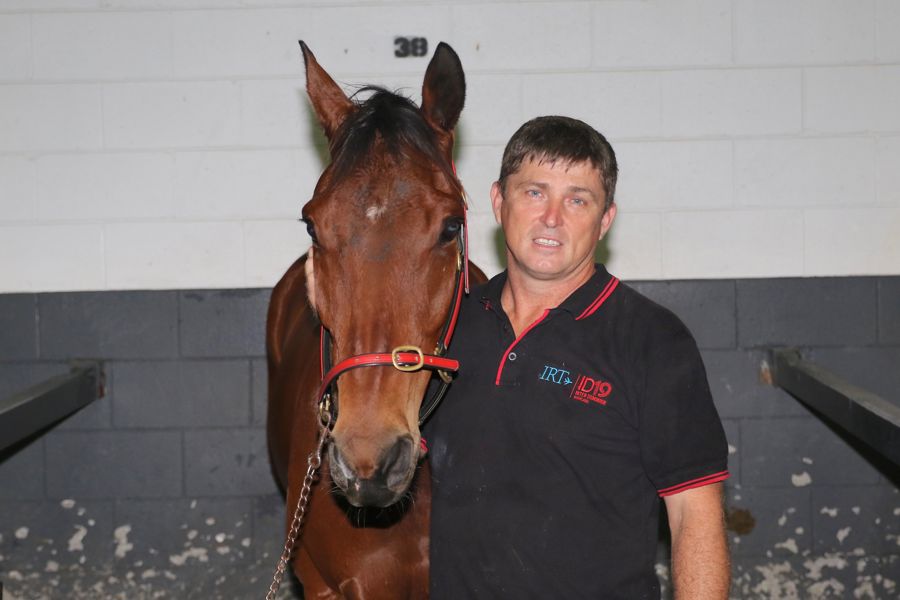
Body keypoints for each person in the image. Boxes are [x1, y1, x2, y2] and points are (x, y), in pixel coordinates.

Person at [425, 116, 731, 599]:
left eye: (577, 200)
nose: (552, 217)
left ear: (605, 220)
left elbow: (694, 513)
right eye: (534, 192)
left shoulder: (653, 340)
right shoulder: (446, 329)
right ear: (498, 202)